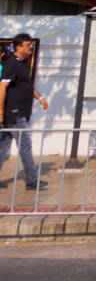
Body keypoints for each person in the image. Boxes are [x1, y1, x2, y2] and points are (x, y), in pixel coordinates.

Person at [0, 34, 49, 190]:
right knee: (25, 145)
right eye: (28, 45)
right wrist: (0, 111)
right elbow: (2, 88)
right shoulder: (11, 64)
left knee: (2, 146)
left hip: (17, 112)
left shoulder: (22, 64)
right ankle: (31, 180)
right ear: (19, 46)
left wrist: (40, 98)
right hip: (14, 113)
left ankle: (31, 179)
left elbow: (27, 85)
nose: (30, 48)